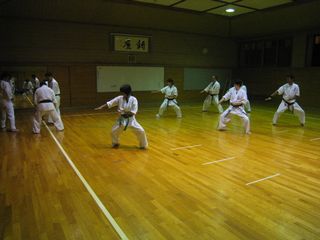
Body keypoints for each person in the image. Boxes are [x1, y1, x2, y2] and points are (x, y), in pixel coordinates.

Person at [94, 84, 148, 149]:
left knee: (141, 131)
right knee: (113, 131)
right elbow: (110, 103)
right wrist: (101, 107)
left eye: (123, 93)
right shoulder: (119, 98)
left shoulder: (134, 99)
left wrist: (123, 112)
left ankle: (143, 145)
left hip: (131, 120)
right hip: (121, 120)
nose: (122, 94)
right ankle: (115, 143)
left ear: (128, 92)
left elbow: (133, 112)